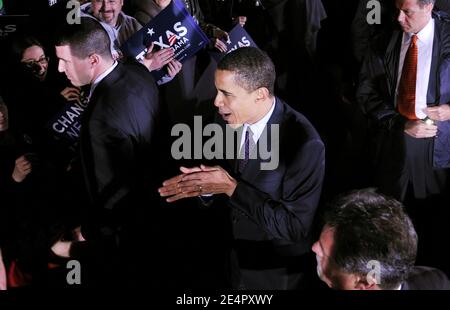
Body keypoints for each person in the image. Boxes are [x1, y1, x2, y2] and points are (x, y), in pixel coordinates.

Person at [159, 47, 325, 289]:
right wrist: (205, 187)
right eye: (217, 91)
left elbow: (294, 228)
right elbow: (221, 179)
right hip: (227, 261)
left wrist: (230, 188)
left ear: (260, 95)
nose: (217, 101)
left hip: (271, 274)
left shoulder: (305, 144)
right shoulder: (224, 117)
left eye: (226, 94)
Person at [51, 17, 164, 287]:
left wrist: (82, 238)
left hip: (128, 244)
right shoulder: (137, 73)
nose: (59, 68)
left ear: (92, 59)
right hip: (160, 213)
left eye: (65, 61)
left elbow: (111, 201)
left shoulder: (98, 121)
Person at [357, 0, 450, 201]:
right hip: (394, 140)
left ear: (428, 6)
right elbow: (366, 93)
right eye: (397, 9)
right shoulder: (383, 41)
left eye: (407, 12)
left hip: (440, 145)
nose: (399, 18)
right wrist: (400, 123)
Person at [312, 188, 450, 290]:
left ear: (365, 283)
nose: (314, 247)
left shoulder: (438, 284)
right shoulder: (437, 279)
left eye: (325, 254)